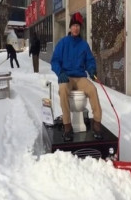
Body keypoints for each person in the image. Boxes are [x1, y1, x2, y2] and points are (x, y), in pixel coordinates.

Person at [51, 12, 102, 142]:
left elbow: (90, 60)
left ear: (80, 28)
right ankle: (67, 126)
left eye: (78, 26)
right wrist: (60, 72)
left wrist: (91, 69)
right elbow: (55, 60)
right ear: (70, 28)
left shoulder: (84, 45)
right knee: (62, 90)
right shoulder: (63, 43)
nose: (76, 28)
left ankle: (97, 124)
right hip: (66, 77)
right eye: (73, 25)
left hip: (80, 78)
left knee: (92, 89)